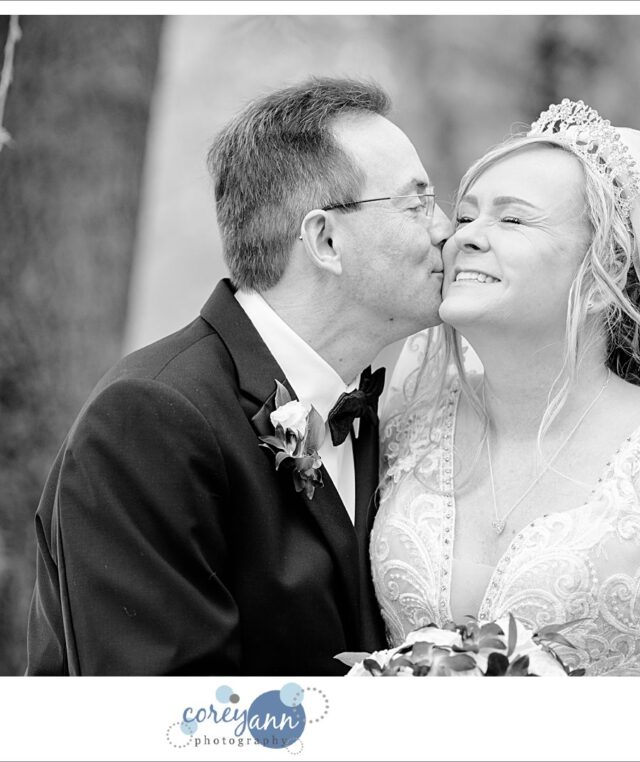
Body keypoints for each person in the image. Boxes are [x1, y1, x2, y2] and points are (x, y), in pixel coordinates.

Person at [26, 77, 451, 675]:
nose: (444, 229)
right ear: (325, 240)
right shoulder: (149, 420)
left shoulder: (375, 412)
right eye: (416, 203)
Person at [372, 99, 640, 675]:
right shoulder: (406, 420)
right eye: (466, 216)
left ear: (604, 275)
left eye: (512, 219)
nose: (464, 238)